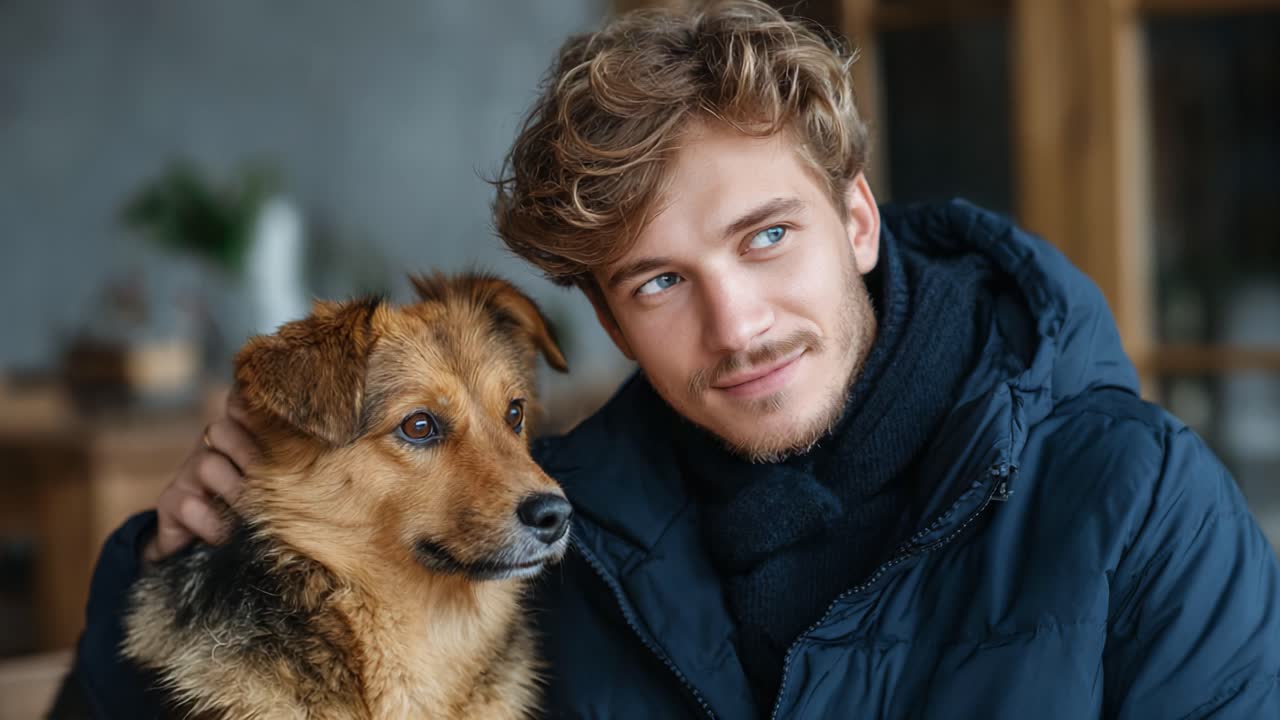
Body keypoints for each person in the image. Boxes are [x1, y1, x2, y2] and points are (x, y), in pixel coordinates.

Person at [67, 2, 1280, 717]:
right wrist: (175, 563)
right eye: (658, 282)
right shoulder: (556, 540)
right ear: (608, 318)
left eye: (766, 237)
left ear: (856, 220)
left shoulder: (1136, 502)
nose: (736, 325)